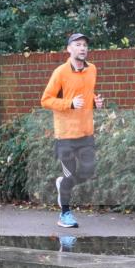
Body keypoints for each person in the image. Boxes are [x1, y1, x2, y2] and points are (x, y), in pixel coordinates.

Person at [40, 33, 104, 228]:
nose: (82, 48)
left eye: (85, 45)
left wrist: (95, 102)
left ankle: (62, 185)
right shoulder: (60, 72)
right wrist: (70, 103)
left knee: (88, 171)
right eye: (78, 45)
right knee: (69, 175)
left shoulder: (92, 69)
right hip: (66, 136)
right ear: (69, 49)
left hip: (86, 133)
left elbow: (87, 94)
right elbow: (46, 100)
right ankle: (65, 214)